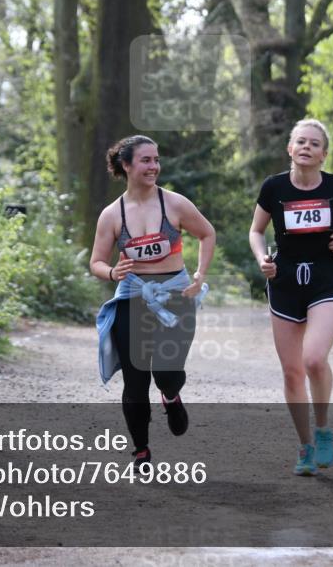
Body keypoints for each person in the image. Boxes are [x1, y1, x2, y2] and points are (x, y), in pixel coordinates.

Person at [249, 119, 333, 475]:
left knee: (315, 360)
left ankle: (322, 430)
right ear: (290, 149)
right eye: (301, 141)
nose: (306, 147)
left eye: (314, 143)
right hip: (285, 282)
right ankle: (305, 447)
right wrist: (262, 259)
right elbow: (256, 230)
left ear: (323, 154)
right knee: (292, 373)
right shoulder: (274, 187)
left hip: (325, 279)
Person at [91, 135, 216, 471]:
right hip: (132, 297)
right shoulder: (112, 214)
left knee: (166, 372)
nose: (154, 166)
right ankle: (141, 450)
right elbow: (96, 262)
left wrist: (200, 274)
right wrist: (112, 272)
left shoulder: (175, 204)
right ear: (126, 165)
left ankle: (171, 395)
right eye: (146, 160)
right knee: (135, 381)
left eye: (156, 160)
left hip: (175, 296)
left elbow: (207, 233)